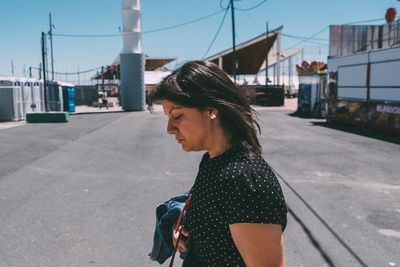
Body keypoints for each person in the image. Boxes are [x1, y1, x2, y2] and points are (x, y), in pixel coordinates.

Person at [149, 60, 287, 267]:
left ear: (211, 109)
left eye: (177, 116)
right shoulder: (214, 161)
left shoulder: (243, 180)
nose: (170, 128)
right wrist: (189, 234)